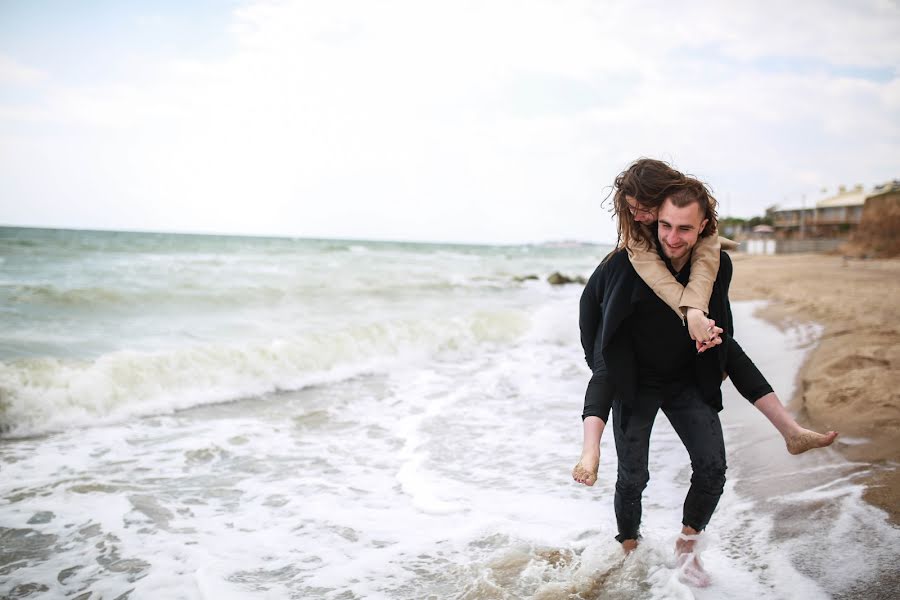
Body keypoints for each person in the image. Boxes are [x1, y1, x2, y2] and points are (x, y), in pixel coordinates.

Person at [574, 177, 835, 585]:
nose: (673, 238)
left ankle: (687, 546)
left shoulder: (717, 264)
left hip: (684, 379)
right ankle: (629, 547)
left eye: (684, 228)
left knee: (713, 469)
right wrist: (597, 372)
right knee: (633, 478)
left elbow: (724, 331)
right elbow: (597, 330)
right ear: (654, 220)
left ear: (704, 228)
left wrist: (710, 341)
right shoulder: (624, 266)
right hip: (635, 381)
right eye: (665, 226)